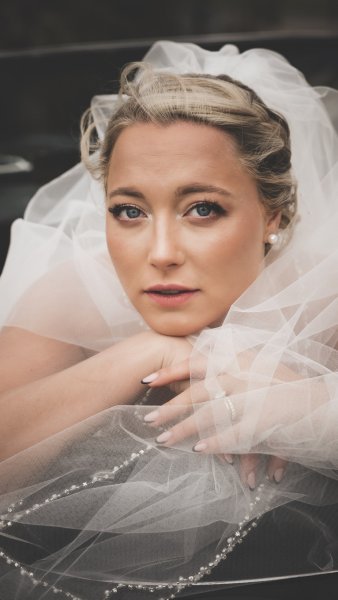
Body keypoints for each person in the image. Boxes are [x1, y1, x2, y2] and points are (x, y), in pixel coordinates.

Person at [0, 41, 338, 600]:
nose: (160, 252)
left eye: (202, 208)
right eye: (129, 211)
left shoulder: (326, 299)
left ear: (272, 216)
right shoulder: (75, 294)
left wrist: (315, 411)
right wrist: (146, 354)